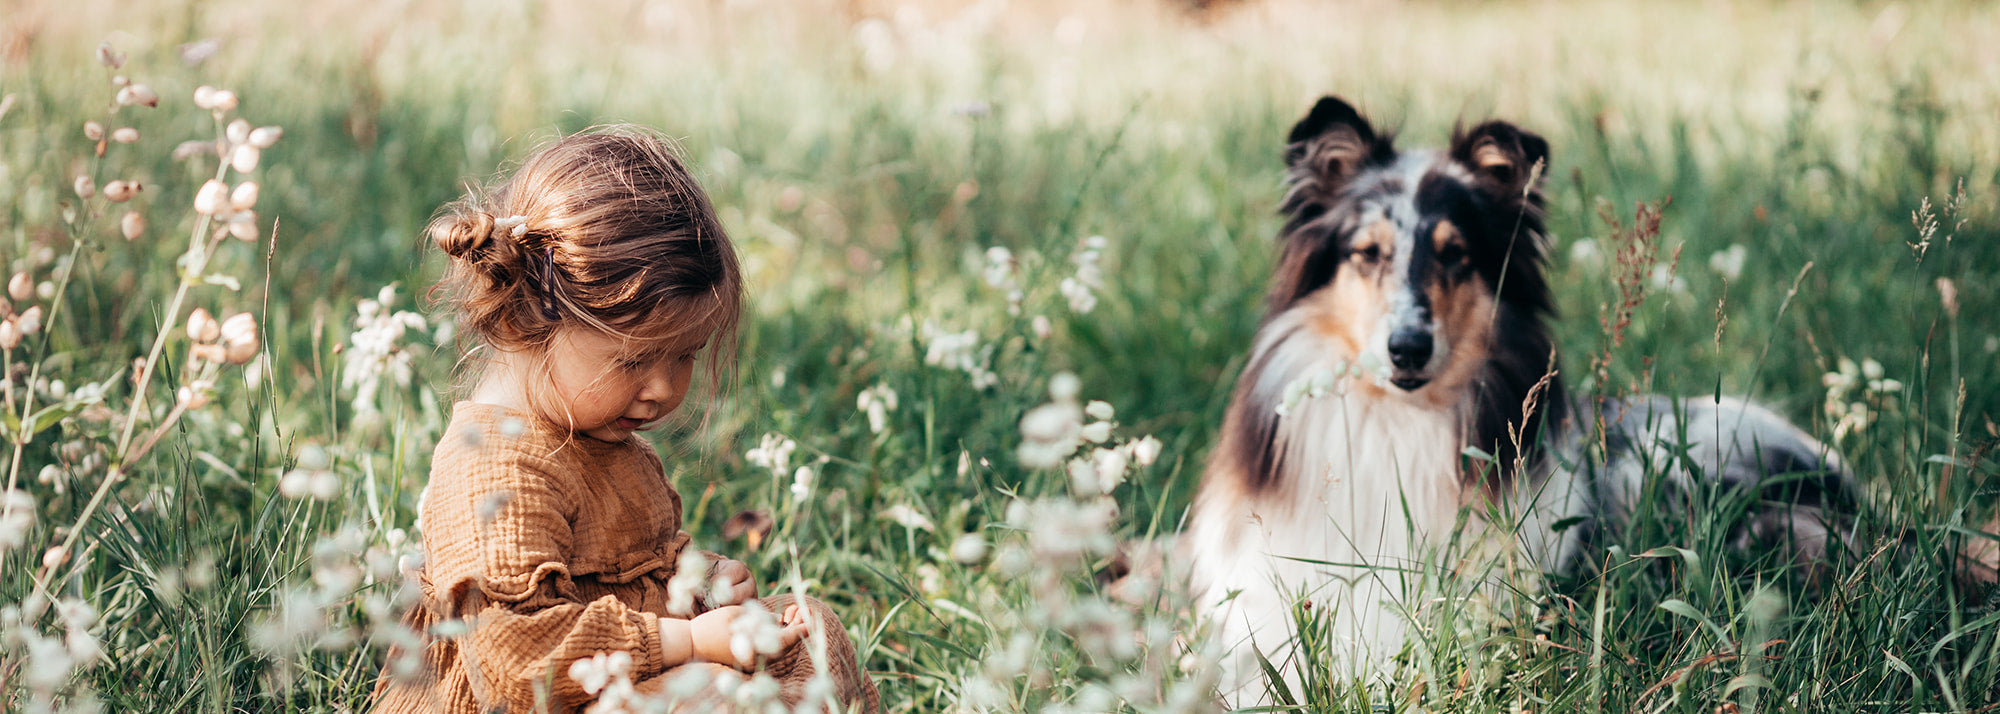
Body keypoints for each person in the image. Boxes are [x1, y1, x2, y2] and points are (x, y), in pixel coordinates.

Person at [371, 127, 881, 713]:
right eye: (634, 359)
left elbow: (634, 574)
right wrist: (689, 641)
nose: (664, 389)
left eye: (685, 355)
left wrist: (701, 586)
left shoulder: (600, 434)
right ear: (527, 320)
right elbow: (518, 659)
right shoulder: (491, 472)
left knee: (809, 629)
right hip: (534, 699)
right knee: (718, 697)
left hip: (624, 672)